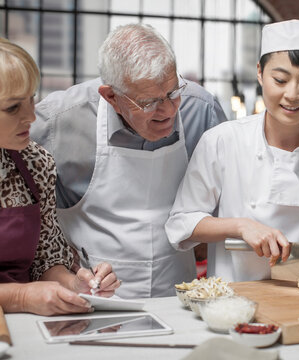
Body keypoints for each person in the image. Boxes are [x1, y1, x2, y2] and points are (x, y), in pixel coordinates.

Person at [165, 19, 299, 282]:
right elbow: (183, 221)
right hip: (234, 297)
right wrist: (241, 226)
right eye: (280, 79)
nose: (292, 95)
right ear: (259, 73)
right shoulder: (221, 141)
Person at [30, 24, 227, 298]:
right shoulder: (57, 122)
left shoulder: (202, 111)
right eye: (149, 103)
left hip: (180, 295)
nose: (169, 110)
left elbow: (228, 198)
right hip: (89, 296)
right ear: (111, 96)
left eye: (173, 92)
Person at [0, 38, 120, 316]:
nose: (32, 116)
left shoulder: (34, 162)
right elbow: (25, 293)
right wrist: (19, 296)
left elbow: (46, 260)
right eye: (13, 107)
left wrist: (76, 283)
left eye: (32, 98)